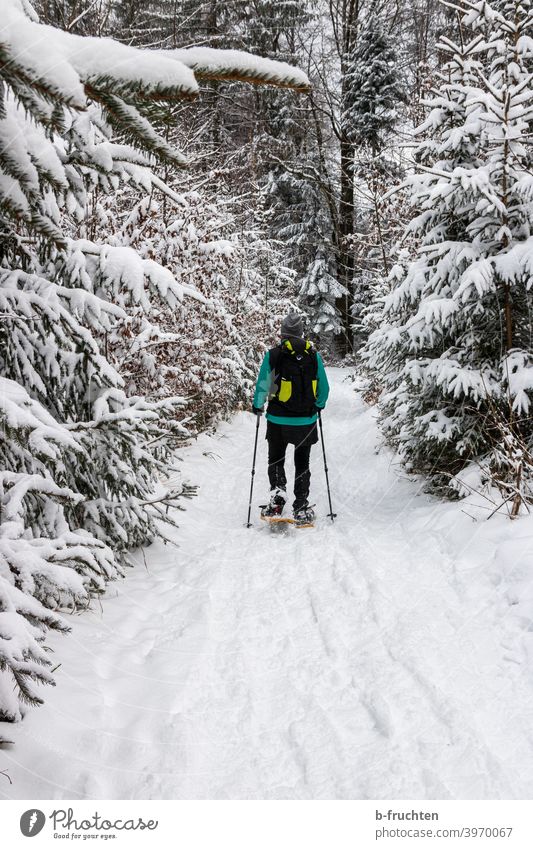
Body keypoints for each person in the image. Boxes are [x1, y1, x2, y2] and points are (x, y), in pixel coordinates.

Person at [251, 312, 330, 526]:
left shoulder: (274, 354)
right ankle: (301, 505)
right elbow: (324, 388)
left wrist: (258, 405)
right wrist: (318, 405)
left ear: (283, 333)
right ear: (301, 333)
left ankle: (277, 499)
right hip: (306, 420)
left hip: (277, 420)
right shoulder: (313, 355)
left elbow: (263, 385)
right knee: (302, 462)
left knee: (276, 459)